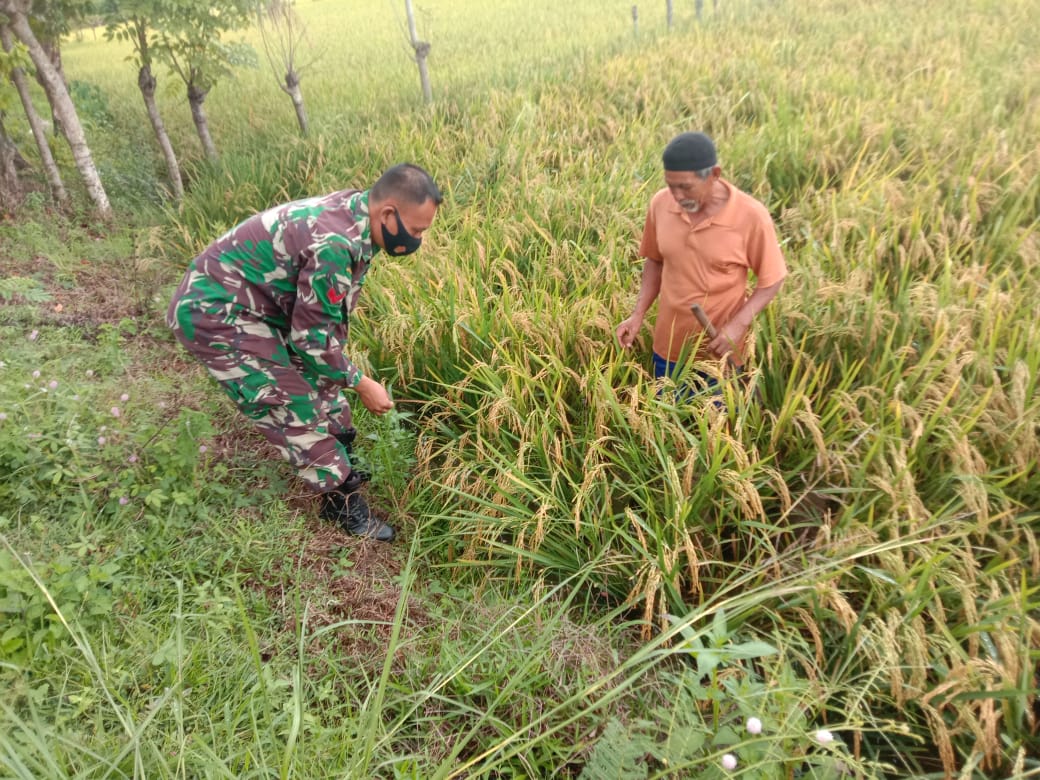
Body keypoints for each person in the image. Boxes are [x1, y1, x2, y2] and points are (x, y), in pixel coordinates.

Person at [167, 163, 442, 542]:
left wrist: (337, 376)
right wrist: (361, 382)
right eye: (416, 231)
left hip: (258, 305)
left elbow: (323, 328)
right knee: (288, 399)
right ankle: (341, 503)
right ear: (389, 214)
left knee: (320, 380)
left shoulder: (357, 216)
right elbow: (312, 340)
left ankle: (340, 458)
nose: (417, 241)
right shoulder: (335, 244)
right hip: (215, 312)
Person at [616, 131, 787, 393]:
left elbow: (772, 279)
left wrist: (738, 325)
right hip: (668, 349)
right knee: (668, 423)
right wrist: (637, 315)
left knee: (716, 429)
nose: (677, 196)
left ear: (714, 174)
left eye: (686, 187)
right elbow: (655, 261)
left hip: (719, 353)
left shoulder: (751, 217)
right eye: (671, 185)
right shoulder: (661, 205)